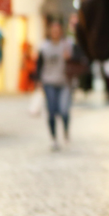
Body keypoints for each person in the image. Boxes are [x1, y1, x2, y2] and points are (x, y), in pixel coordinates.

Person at [37, 19, 73, 151]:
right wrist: (38, 81)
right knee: (51, 111)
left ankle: (66, 131)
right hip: (49, 82)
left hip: (64, 82)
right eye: (53, 30)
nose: (55, 33)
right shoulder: (44, 47)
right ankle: (53, 138)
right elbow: (39, 65)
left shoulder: (67, 45)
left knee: (64, 110)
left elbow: (77, 62)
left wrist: (70, 58)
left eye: (58, 30)